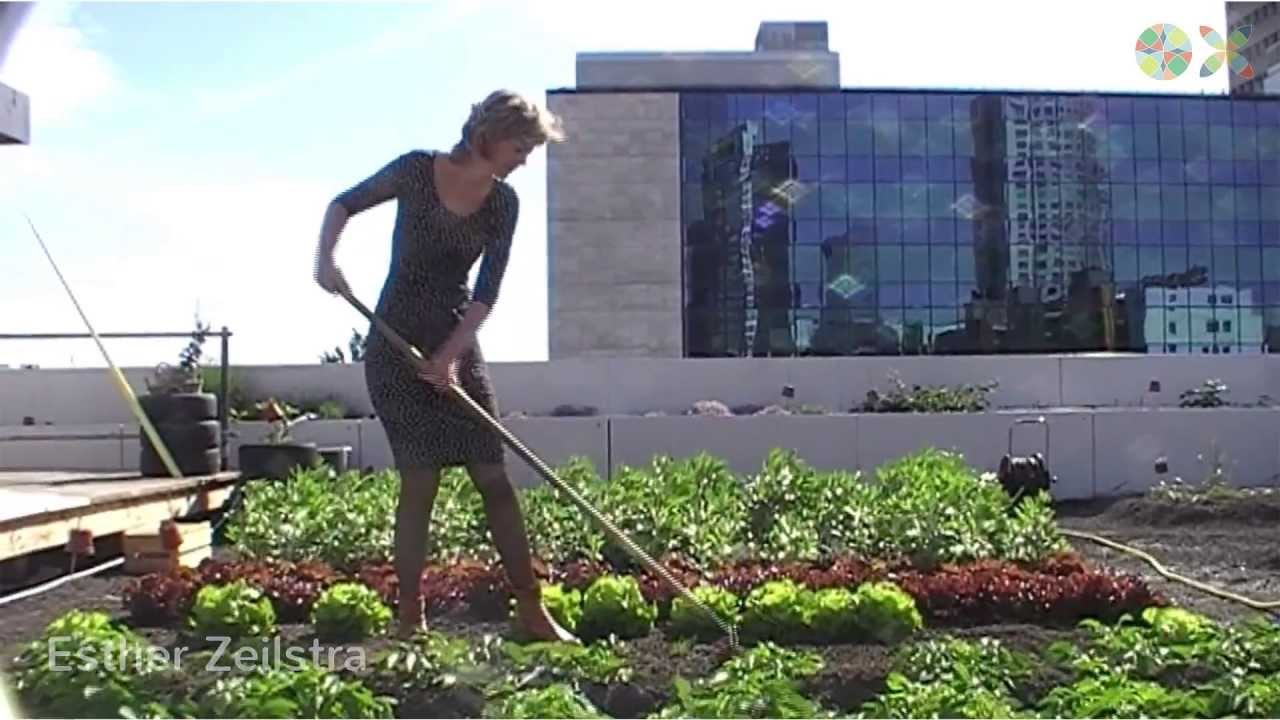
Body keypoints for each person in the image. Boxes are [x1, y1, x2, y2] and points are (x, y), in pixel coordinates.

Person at [313, 89, 574, 643]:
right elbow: (344, 203)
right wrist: (326, 258)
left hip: (454, 340)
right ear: (489, 136)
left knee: (493, 476)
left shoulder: (504, 204)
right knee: (420, 480)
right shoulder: (414, 171)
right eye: (521, 146)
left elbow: (486, 293)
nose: (526, 158)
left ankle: (531, 612)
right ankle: (411, 618)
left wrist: (450, 357)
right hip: (394, 345)